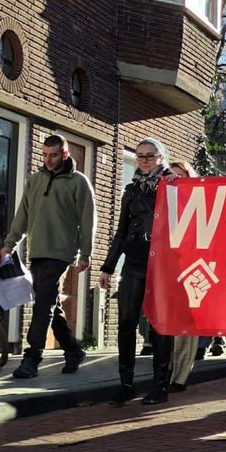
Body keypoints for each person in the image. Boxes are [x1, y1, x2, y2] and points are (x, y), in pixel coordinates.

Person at [3, 134, 95, 379]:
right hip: (37, 250)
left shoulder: (78, 182)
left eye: (53, 155)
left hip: (61, 252)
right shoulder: (34, 180)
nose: (48, 160)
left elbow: (87, 221)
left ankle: (32, 357)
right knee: (49, 303)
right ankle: (73, 350)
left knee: (43, 303)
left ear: (65, 154)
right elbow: (22, 214)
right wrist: (10, 243)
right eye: (44, 155)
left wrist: (85, 253)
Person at [100, 139, 174, 406]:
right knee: (126, 322)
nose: (143, 160)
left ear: (161, 157)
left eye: (149, 156)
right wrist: (108, 267)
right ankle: (126, 383)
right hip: (133, 262)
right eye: (140, 156)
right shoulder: (131, 190)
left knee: (160, 326)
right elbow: (121, 230)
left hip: (162, 264)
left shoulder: (173, 186)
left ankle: (160, 385)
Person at [166, 159, 203, 393]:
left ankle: (179, 376)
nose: (176, 181)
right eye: (172, 176)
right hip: (166, 269)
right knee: (166, 324)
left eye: (181, 177)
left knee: (185, 325)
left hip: (191, 269)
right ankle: (167, 371)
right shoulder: (161, 203)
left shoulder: (199, 204)